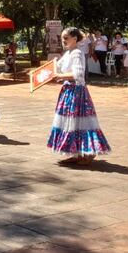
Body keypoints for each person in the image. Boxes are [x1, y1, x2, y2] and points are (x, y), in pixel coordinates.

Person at [47, 27, 111, 165]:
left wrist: (57, 76)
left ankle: (88, 153)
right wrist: (45, 72)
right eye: (62, 38)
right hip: (69, 90)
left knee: (79, 121)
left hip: (76, 91)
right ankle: (76, 153)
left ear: (75, 39)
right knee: (71, 122)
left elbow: (77, 75)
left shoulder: (76, 53)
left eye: (66, 38)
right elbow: (57, 67)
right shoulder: (69, 52)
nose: (63, 41)